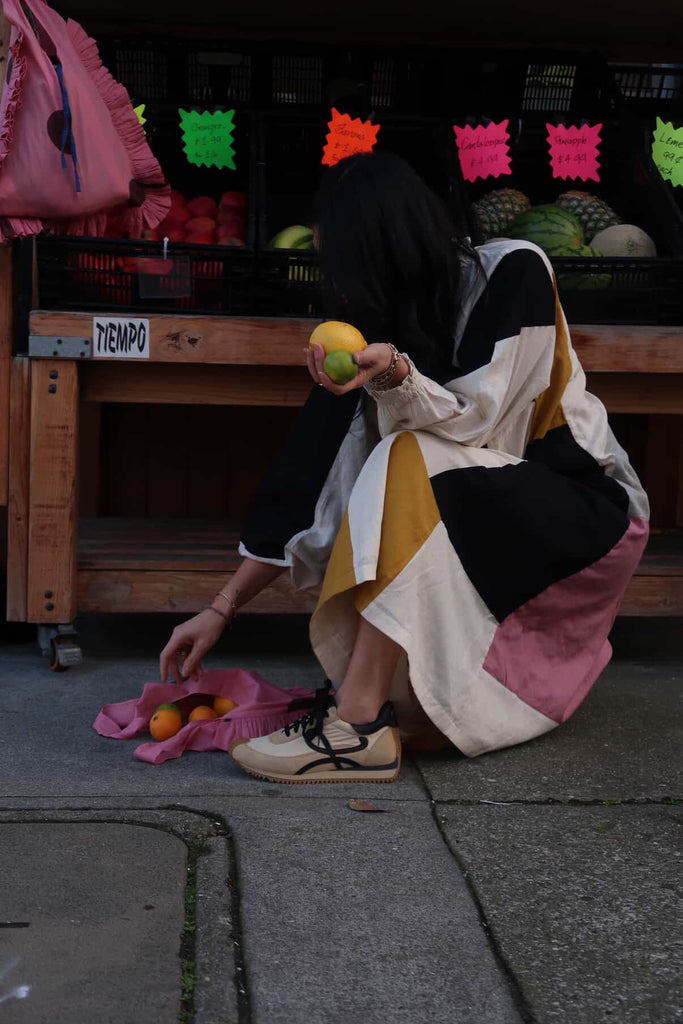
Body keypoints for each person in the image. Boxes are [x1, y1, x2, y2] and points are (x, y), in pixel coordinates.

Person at [159, 152, 649, 785]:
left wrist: (396, 375)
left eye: (344, 264)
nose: (339, 286)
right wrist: (220, 608)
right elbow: (309, 478)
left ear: (383, 248)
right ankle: (367, 709)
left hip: (583, 516)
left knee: (405, 455)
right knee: (393, 464)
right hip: (488, 528)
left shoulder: (514, 270)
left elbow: (482, 422)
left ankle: (357, 725)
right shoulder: (375, 334)